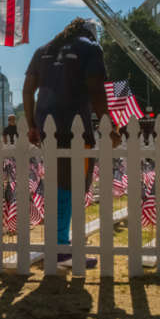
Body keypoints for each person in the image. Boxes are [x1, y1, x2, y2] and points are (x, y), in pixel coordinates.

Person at [23, 16, 121, 270]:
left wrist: (32, 124)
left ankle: (59, 245)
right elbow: (96, 88)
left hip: (48, 127)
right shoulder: (90, 48)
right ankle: (61, 249)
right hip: (76, 127)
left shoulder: (44, 49)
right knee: (74, 187)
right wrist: (108, 125)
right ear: (92, 34)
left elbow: (27, 89)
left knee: (59, 186)